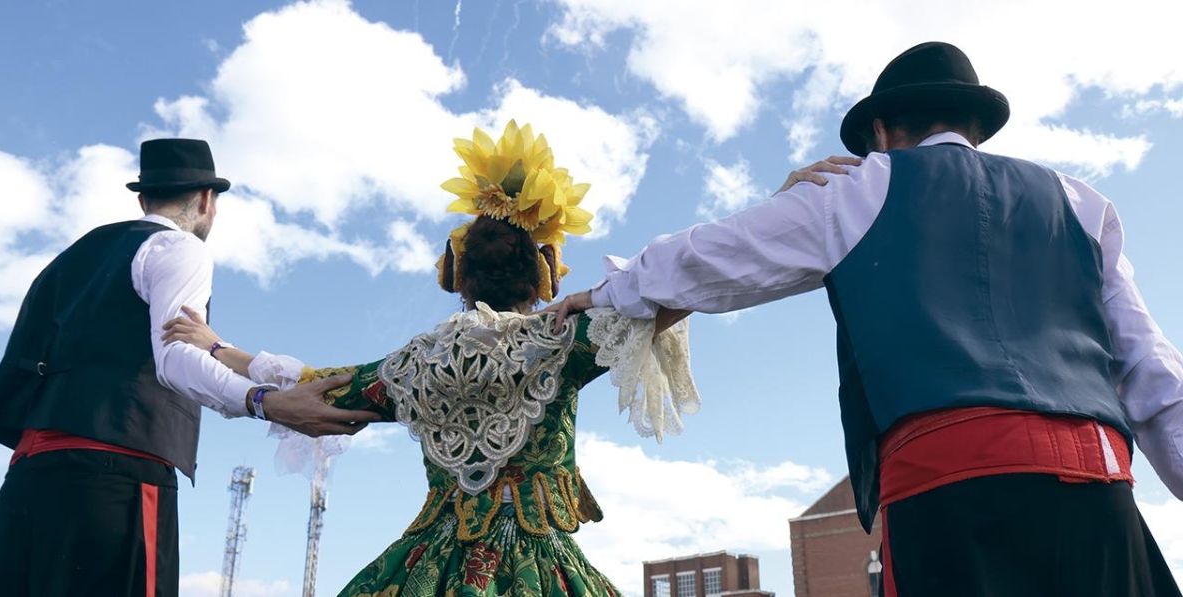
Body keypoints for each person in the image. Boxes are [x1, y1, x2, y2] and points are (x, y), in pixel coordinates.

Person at [548, 42, 1183, 596]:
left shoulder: (859, 187)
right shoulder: (1081, 202)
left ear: (881, 130)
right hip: (1097, 479)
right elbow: (1152, 370)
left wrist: (608, 292)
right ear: (978, 128)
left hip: (948, 482)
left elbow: (718, 255)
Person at [162, 121, 697, 597]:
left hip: (429, 561)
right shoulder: (561, 340)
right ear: (543, 274)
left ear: (458, 275)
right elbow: (671, 296)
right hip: (540, 563)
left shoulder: (418, 363)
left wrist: (215, 346)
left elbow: (318, 383)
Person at [0, 138, 382, 597]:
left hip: (29, 476)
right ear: (207, 201)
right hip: (116, 478)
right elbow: (174, 358)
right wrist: (266, 402)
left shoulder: (65, 262)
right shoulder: (178, 247)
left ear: (142, 198)